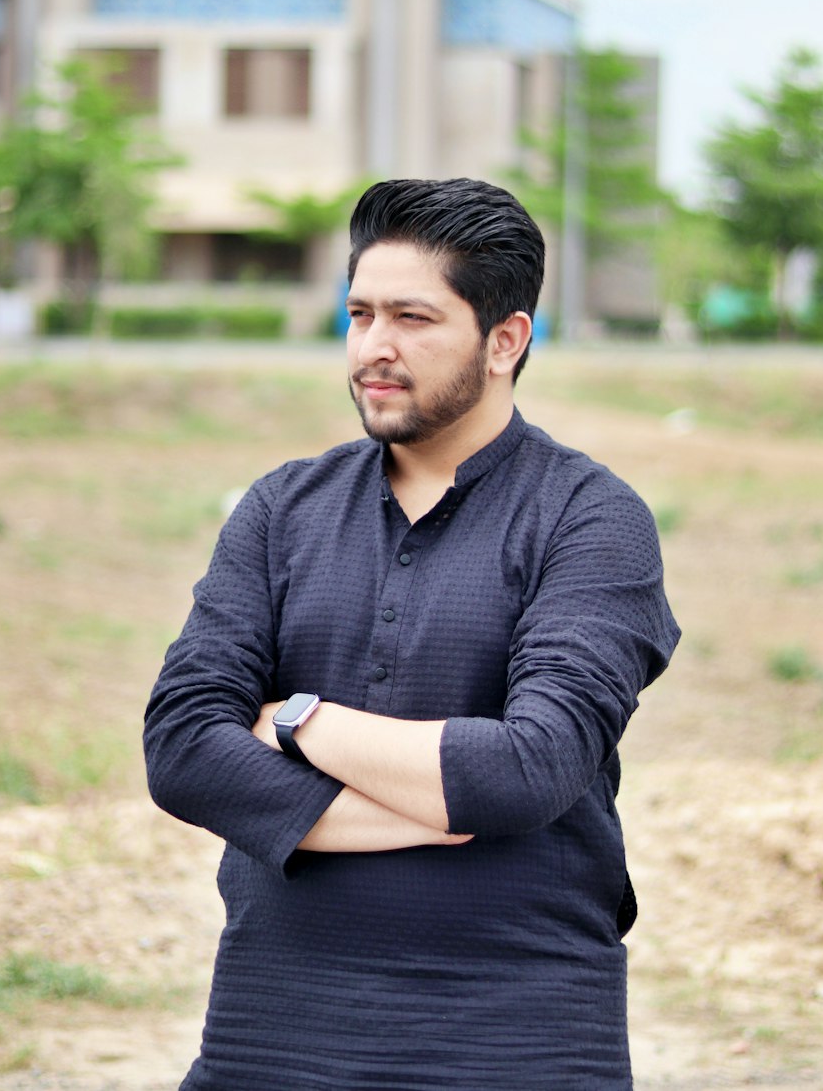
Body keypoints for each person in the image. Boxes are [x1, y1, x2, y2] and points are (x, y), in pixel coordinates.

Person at [144, 177, 681, 1091]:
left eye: (412, 318)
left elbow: (529, 769)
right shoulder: (283, 509)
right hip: (271, 1034)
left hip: (522, 1040)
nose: (373, 349)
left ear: (505, 339)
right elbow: (182, 749)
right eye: (358, 315)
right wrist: (421, 812)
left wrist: (297, 719)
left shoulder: (590, 519)